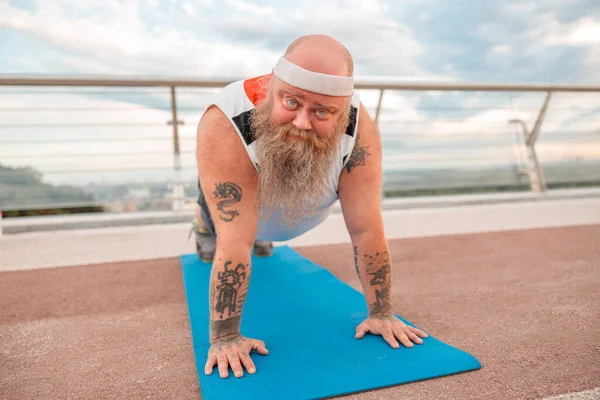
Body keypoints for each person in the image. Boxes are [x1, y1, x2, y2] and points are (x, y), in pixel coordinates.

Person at [193, 34, 428, 379]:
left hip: (306, 208)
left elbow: (366, 228)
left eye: (321, 111)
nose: (302, 122)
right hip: (244, 213)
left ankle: (264, 235)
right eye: (291, 102)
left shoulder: (358, 129)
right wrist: (225, 337)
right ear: (272, 86)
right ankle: (201, 221)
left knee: (261, 235)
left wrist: (382, 313)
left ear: (342, 109)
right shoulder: (226, 118)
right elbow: (234, 241)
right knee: (226, 232)